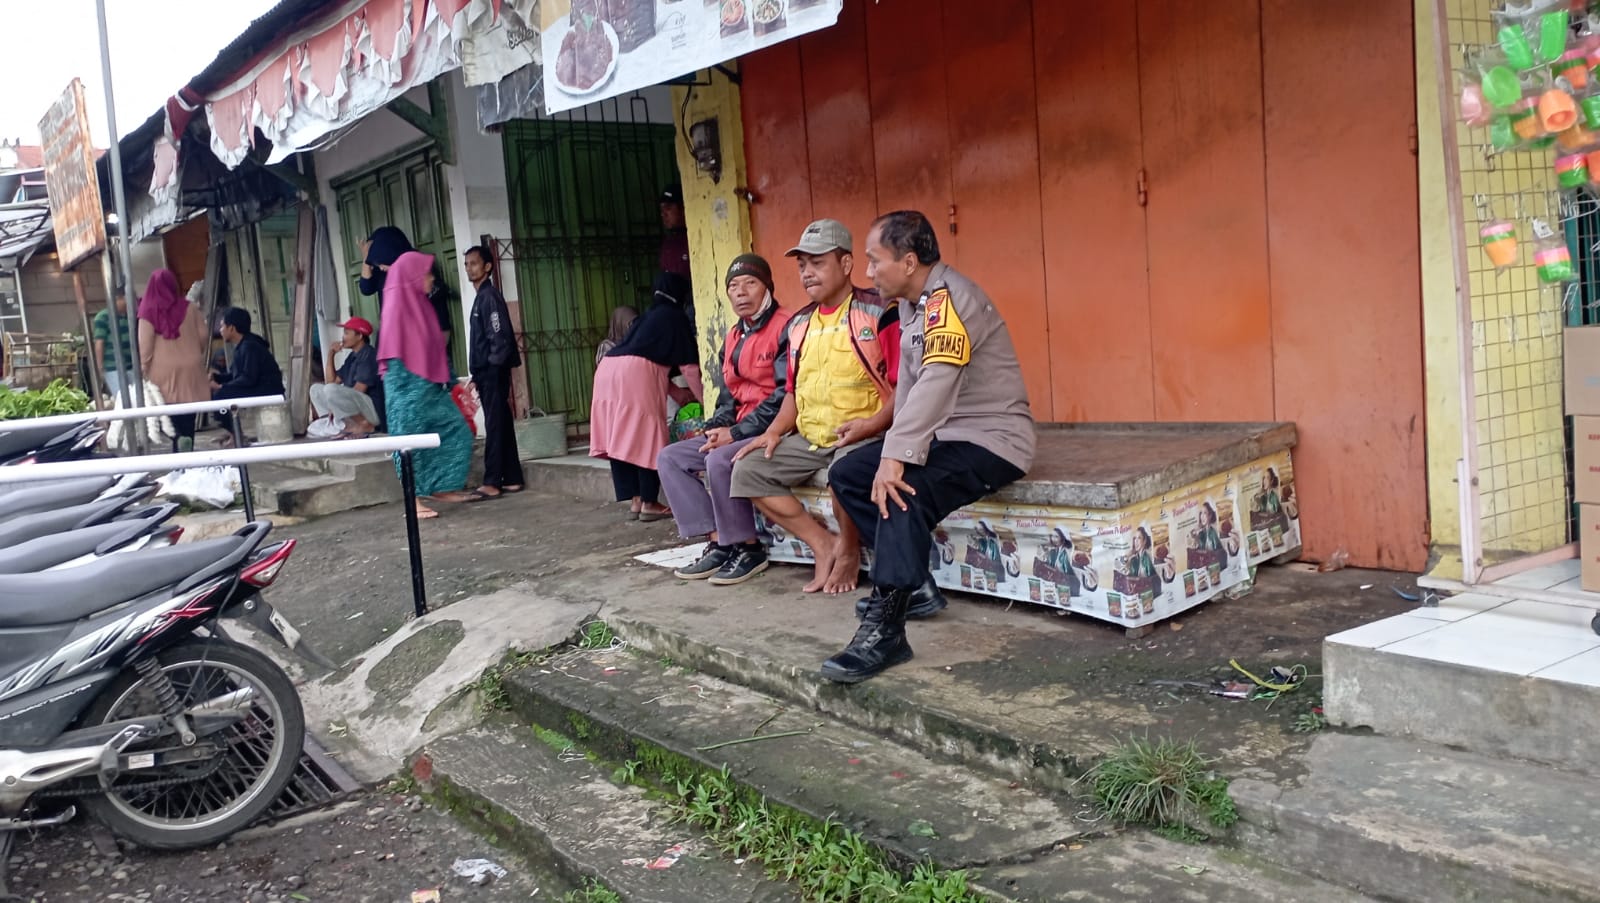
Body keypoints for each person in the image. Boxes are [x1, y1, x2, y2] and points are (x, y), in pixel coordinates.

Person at [823, 210, 1035, 683]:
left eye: (874, 260)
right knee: (848, 474)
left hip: (993, 440)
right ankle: (914, 584)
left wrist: (896, 456)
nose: (868, 272)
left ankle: (886, 631)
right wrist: (884, 441)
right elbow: (912, 389)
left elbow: (938, 381)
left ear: (908, 261)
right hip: (948, 435)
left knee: (902, 491)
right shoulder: (911, 306)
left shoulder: (948, 302)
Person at [729, 219, 900, 594]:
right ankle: (823, 544)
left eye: (818, 263)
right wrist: (773, 432)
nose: (807, 272)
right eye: (802, 264)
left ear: (846, 264)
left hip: (866, 434)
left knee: (844, 472)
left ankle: (850, 552)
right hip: (810, 437)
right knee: (747, 470)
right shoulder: (799, 324)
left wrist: (873, 425)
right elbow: (793, 391)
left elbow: (904, 388)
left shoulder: (879, 311)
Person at [658, 254, 792, 585]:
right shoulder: (734, 335)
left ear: (768, 287)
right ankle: (719, 541)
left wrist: (736, 432)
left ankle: (748, 548)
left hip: (775, 429)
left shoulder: (787, 327)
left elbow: (784, 396)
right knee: (671, 458)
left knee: (719, 460)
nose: (741, 292)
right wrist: (717, 427)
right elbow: (728, 394)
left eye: (750, 283)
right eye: (733, 286)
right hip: (739, 428)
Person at [590, 272, 702, 521]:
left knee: (619, 436)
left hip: (607, 370)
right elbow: (689, 368)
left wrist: (677, 392)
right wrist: (709, 403)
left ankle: (636, 500)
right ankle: (650, 501)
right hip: (635, 373)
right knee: (646, 435)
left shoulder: (648, 317)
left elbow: (649, 356)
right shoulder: (675, 317)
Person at [378, 251, 475, 519]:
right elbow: (396, 362)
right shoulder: (397, 310)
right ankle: (414, 500)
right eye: (427, 274)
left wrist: (452, 382)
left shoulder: (422, 307)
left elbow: (435, 351)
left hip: (432, 391)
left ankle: (442, 486)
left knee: (457, 432)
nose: (431, 279)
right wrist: (408, 401)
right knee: (411, 448)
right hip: (408, 396)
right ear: (412, 277)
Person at [464, 245, 524, 499]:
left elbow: (498, 335)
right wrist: (477, 375)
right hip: (486, 371)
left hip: (493, 370)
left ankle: (492, 481)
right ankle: (512, 477)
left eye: (474, 263)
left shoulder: (489, 297)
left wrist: (490, 369)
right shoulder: (481, 297)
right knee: (501, 422)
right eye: (467, 264)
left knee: (495, 425)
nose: (469, 268)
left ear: (487, 267)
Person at [136, 269, 210, 452]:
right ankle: (187, 447)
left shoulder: (147, 311)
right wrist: (194, 352)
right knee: (188, 414)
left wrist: (143, 367)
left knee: (169, 416)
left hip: (163, 371)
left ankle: (179, 448)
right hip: (191, 368)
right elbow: (203, 335)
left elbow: (145, 346)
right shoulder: (190, 307)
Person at [210, 308, 285, 441]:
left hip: (267, 390)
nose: (220, 330)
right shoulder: (243, 345)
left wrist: (222, 387)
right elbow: (235, 375)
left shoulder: (250, 346)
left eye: (222, 326)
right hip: (256, 386)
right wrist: (215, 378)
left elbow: (248, 378)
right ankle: (234, 432)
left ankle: (236, 435)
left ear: (231, 328)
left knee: (220, 396)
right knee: (218, 395)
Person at [310, 316, 384, 438]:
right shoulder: (352, 356)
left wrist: (335, 403)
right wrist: (331, 354)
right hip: (356, 406)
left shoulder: (368, 355)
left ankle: (364, 425)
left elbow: (359, 390)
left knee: (331, 391)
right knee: (316, 389)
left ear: (359, 336)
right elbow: (331, 382)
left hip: (371, 413)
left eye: (346, 333)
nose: (343, 337)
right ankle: (336, 425)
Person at [93, 288, 136, 401]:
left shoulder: (130, 316)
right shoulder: (103, 317)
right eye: (128, 299)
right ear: (118, 299)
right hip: (113, 368)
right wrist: (100, 367)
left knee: (135, 398)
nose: (132, 302)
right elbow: (99, 343)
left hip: (131, 366)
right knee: (122, 398)